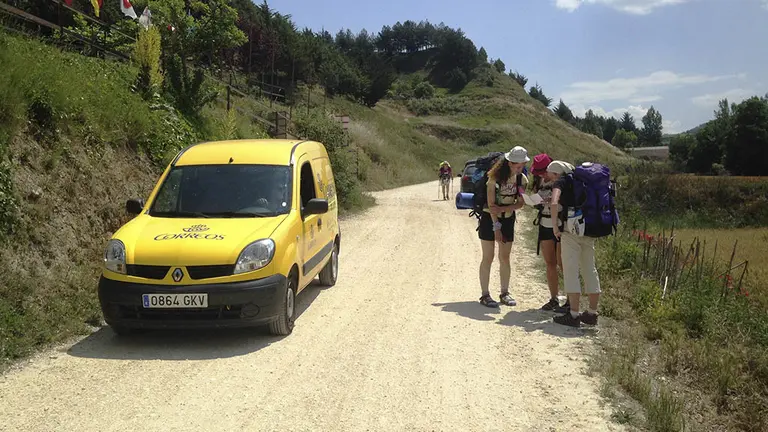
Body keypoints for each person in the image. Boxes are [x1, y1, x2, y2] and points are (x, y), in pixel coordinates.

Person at [546, 160, 600, 327]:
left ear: (556, 174)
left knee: (571, 270)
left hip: (571, 231)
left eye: (551, 176)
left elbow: (554, 203)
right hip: (590, 229)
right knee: (590, 269)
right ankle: (592, 312)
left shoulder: (562, 182)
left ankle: (574, 314)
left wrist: (555, 226)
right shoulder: (584, 180)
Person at [477, 146, 529, 308]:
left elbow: (520, 204)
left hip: (507, 219)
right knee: (488, 256)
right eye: (517, 165)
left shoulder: (522, 180)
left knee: (505, 258)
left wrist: (503, 210)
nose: (520, 169)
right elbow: (491, 205)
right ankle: (485, 294)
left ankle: (504, 292)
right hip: (488, 219)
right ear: (509, 163)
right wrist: (496, 227)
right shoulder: (493, 178)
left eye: (522, 165)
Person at [530, 154, 569, 313]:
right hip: (545, 224)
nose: (541, 175)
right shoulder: (539, 181)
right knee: (550, 263)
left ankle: (569, 300)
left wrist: (549, 201)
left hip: (561, 225)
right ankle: (554, 299)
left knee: (563, 263)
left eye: (542, 171)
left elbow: (565, 200)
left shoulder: (562, 180)